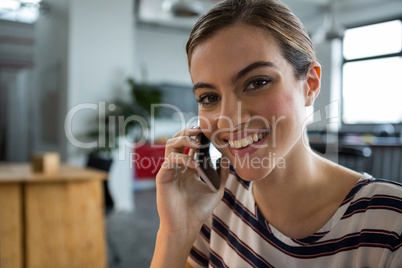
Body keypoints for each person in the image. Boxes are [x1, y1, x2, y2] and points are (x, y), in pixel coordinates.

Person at [150, 0, 402, 267]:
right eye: (209, 97)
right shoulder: (213, 198)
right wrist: (175, 232)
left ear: (310, 85)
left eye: (257, 82)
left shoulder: (391, 225)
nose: (229, 119)